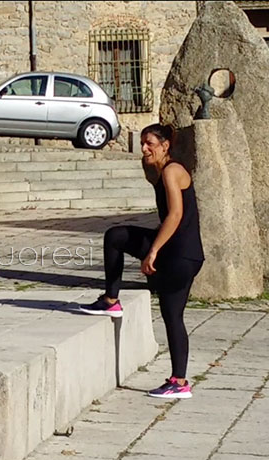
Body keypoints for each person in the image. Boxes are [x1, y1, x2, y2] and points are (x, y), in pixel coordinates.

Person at [78, 123, 204, 399]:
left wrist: (153, 251)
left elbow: (175, 215)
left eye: (150, 143)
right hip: (189, 255)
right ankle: (179, 382)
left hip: (178, 253)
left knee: (116, 237)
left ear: (165, 145)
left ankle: (111, 301)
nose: (144, 148)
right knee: (173, 318)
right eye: (143, 143)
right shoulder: (161, 171)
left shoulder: (172, 171)